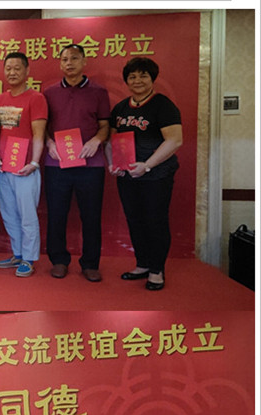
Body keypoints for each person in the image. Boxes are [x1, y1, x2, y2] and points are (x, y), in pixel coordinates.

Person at [107, 57, 182, 291]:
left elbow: (174, 140)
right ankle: (142, 264)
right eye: (132, 76)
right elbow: (111, 140)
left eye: (143, 75)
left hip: (156, 175)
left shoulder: (163, 105)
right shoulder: (120, 108)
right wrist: (113, 163)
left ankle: (157, 270)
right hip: (128, 176)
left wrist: (147, 165)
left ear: (152, 78)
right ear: (126, 80)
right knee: (134, 219)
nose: (137, 80)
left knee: (155, 220)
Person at [43, 44, 111, 283]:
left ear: (84, 61)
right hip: (56, 163)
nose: (69, 63)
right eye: (64, 59)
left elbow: (105, 125)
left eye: (74, 58)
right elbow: (42, 126)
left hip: (91, 164)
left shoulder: (99, 92)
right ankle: (59, 260)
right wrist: (49, 143)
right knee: (56, 214)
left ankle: (90, 263)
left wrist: (97, 140)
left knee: (91, 216)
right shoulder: (49, 93)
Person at [0, 52, 47, 278]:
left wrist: (34, 162)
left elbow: (39, 134)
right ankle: (17, 253)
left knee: (27, 216)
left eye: (17, 68)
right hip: (4, 167)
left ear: (27, 71)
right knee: (9, 214)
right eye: (8, 68)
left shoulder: (36, 98)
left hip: (26, 169)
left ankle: (29, 258)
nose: (12, 72)